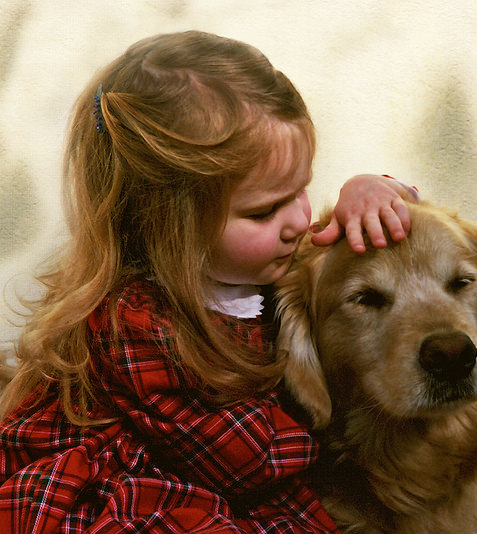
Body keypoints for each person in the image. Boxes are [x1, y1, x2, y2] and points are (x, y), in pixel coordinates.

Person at [0, 31, 418, 533]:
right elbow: (244, 465)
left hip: (234, 465)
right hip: (152, 484)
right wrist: (334, 428)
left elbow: (378, 235)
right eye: (264, 210)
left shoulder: (261, 259)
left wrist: (371, 189)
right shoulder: (135, 322)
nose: (298, 221)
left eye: (301, 188)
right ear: (169, 227)